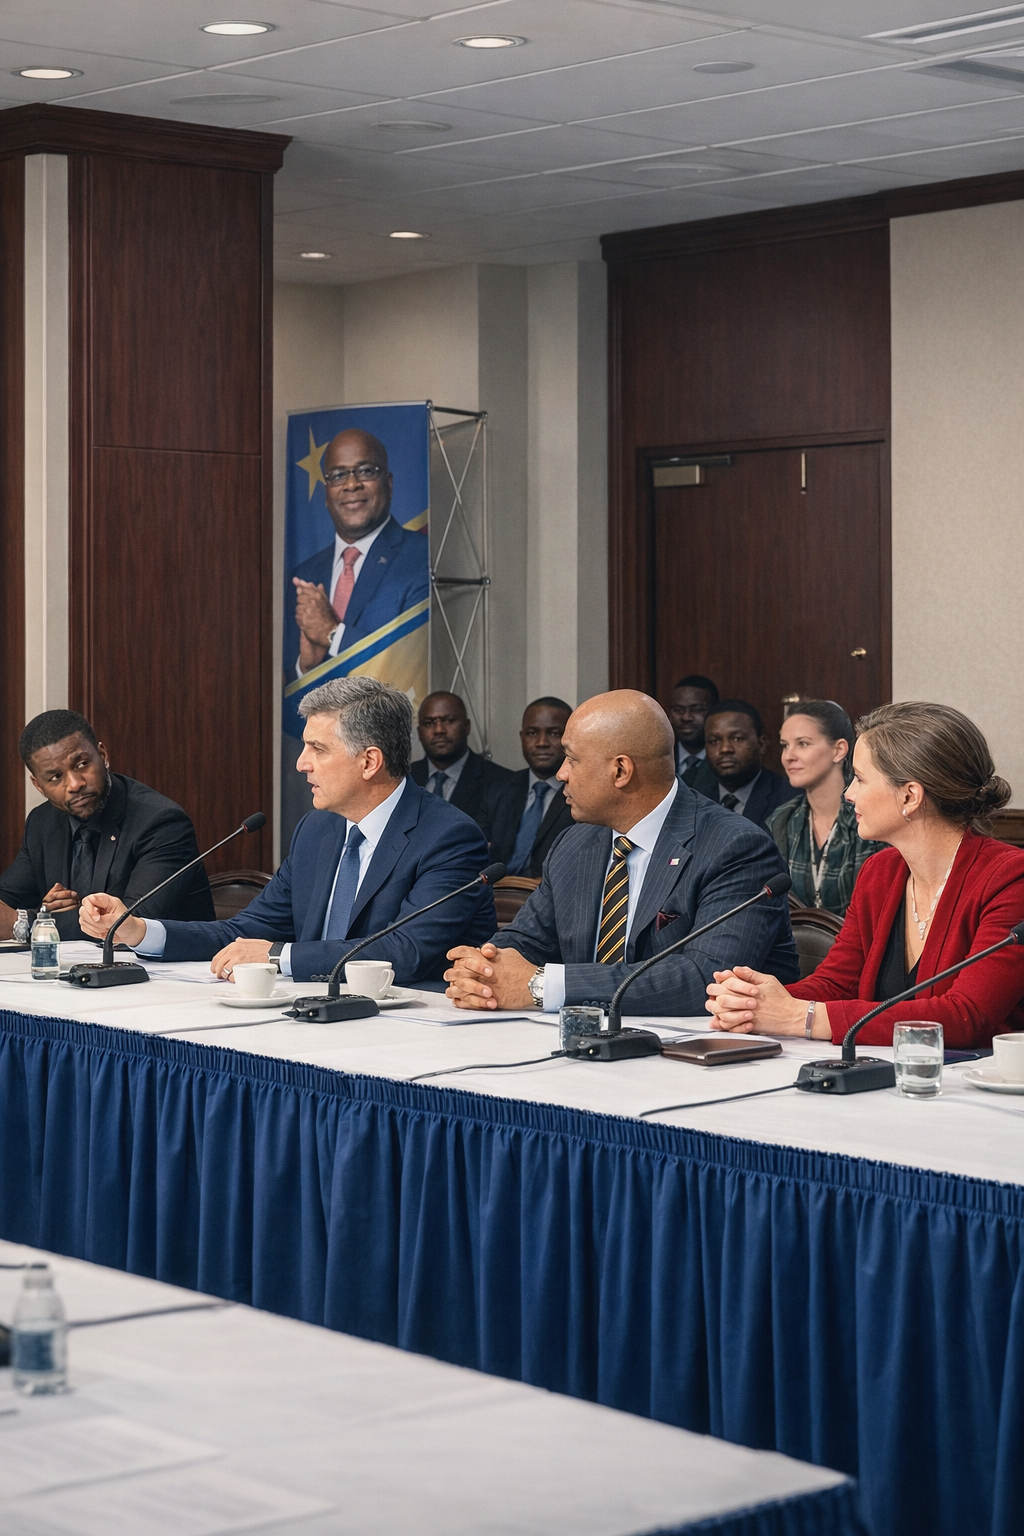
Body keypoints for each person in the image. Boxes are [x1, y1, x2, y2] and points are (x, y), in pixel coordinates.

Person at [81, 678, 495, 985]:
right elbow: (244, 932)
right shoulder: (317, 829)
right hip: (314, 1015)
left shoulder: (449, 837)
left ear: (369, 762)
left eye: (318, 749)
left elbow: (404, 952)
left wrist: (279, 956)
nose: (301, 763)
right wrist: (139, 930)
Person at [444, 690, 797, 1017]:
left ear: (620, 771)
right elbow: (526, 941)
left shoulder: (735, 847)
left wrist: (545, 986)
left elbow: (705, 978)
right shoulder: (574, 844)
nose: (561, 773)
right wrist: (483, 969)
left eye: (571, 759)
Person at [706, 702, 1024, 1050]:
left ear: (910, 796)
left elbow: (966, 1016)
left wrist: (801, 1017)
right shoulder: (880, 872)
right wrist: (754, 1003)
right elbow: (836, 983)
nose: (848, 794)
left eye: (859, 778)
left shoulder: (1010, 878)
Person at [0, 710, 214, 942]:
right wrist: (43, 911)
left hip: (167, 964)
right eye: (55, 777)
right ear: (38, 786)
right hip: (78, 963)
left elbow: (132, 924)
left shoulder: (161, 822)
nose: (75, 784)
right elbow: (6, 903)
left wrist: (29, 923)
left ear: (102, 755)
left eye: (82, 764)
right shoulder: (42, 823)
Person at [285, 429, 429, 680]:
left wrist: (333, 634)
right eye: (338, 475)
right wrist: (306, 668)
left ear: (388, 484)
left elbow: (408, 663)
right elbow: (283, 680)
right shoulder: (302, 576)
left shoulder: (422, 559)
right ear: (326, 494)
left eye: (366, 471)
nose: (351, 485)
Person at [767, 701, 884, 917]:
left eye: (802, 744)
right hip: (798, 938)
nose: (788, 756)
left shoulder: (871, 817)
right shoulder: (782, 819)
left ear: (838, 750)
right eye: (785, 745)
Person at [488, 697, 575, 877]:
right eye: (532, 733)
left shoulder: (582, 794)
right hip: (497, 891)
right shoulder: (497, 790)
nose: (541, 742)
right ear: (522, 737)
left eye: (554, 733)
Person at [410, 692, 513, 841]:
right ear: (419, 732)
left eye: (448, 721)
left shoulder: (502, 782)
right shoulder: (404, 779)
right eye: (429, 723)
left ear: (467, 726)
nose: (439, 730)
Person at [703, 700, 794, 830]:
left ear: (761, 744)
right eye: (714, 741)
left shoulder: (789, 799)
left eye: (737, 738)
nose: (725, 749)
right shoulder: (695, 800)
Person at [667, 674, 719, 798]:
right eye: (678, 710)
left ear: (714, 711)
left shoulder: (725, 760)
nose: (686, 717)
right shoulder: (660, 758)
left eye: (697, 709)